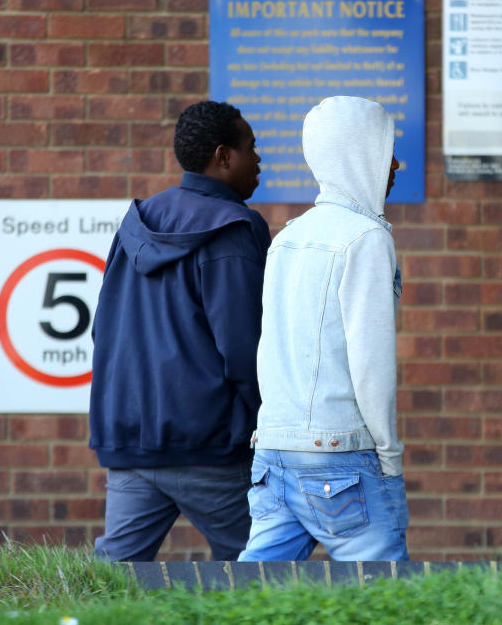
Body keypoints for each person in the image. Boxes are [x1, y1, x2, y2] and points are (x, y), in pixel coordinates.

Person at [89, 100, 269, 561]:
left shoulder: (136, 222)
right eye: (252, 147)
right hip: (211, 447)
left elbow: (103, 328)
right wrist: (265, 422)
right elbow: (244, 347)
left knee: (114, 580)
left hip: (131, 440)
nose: (260, 159)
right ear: (224, 156)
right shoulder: (234, 228)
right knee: (260, 579)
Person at [239, 95, 408, 562]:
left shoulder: (288, 236)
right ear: (359, 153)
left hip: (274, 449)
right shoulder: (368, 239)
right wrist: (389, 458)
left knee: (251, 599)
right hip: (342, 454)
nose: (398, 163)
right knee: (385, 599)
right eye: (386, 148)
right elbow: (370, 360)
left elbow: (267, 350)